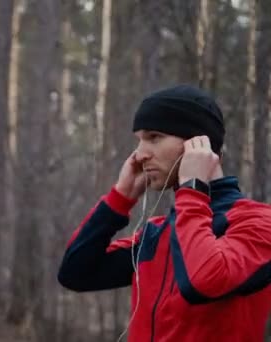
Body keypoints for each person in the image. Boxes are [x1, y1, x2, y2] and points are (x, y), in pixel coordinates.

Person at [57, 84, 271, 342]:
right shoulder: (156, 234)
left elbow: (203, 281)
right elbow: (75, 273)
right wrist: (120, 198)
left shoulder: (258, 222)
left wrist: (193, 187)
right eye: (140, 140)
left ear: (197, 143)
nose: (140, 154)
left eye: (154, 137)